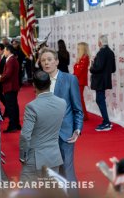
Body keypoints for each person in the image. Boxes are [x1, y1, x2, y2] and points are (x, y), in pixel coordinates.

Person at [39, 48, 83, 194]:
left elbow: (78, 109)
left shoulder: (70, 79)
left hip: (66, 133)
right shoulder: (39, 80)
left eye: (49, 59)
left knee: (67, 170)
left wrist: (77, 130)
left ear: (57, 61)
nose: (46, 63)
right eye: (43, 60)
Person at [19, 70, 66, 182]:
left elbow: (25, 135)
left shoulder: (32, 106)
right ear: (50, 83)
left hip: (35, 159)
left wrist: (22, 155)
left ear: (34, 85)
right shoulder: (62, 103)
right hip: (54, 157)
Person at [90, 34, 116, 131]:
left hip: (99, 81)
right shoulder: (111, 52)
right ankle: (106, 121)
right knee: (100, 100)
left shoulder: (101, 53)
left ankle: (106, 122)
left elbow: (98, 68)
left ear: (100, 42)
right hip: (105, 80)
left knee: (100, 100)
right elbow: (113, 69)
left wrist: (92, 66)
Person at [0, 44, 21, 132]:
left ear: (8, 50)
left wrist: (0, 78)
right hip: (12, 86)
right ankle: (16, 124)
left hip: (10, 86)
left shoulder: (11, 60)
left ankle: (12, 126)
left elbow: (8, 74)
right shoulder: (12, 59)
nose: (4, 52)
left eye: (5, 50)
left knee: (11, 107)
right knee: (14, 106)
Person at [73, 42, 90, 121]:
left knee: (79, 98)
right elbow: (77, 70)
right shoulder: (81, 58)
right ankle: (82, 114)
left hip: (80, 81)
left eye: (79, 48)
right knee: (78, 98)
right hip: (78, 80)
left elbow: (79, 70)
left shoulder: (85, 58)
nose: (77, 49)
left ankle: (83, 115)